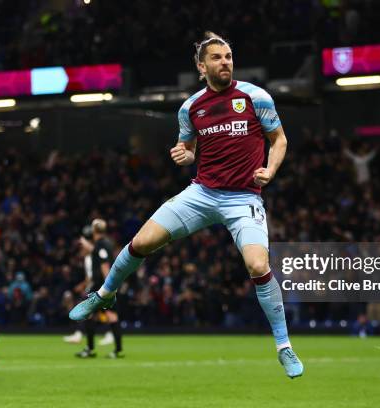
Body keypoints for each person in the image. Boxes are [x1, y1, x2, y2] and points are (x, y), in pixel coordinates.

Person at [70, 31, 303, 378]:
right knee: (142, 241)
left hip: (243, 198)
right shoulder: (190, 108)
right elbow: (188, 148)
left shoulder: (256, 97)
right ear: (201, 66)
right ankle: (104, 294)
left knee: (257, 265)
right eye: (216, 57)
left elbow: (279, 139)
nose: (224, 62)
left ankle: (284, 346)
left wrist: (270, 169)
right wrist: (185, 153)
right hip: (203, 192)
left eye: (228, 56)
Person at [74, 219, 123, 358]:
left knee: (102, 316)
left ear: (94, 230)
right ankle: (117, 350)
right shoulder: (104, 244)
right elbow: (95, 251)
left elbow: (104, 266)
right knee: (104, 316)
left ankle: (91, 349)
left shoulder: (101, 245)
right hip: (103, 286)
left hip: (101, 287)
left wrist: (108, 288)